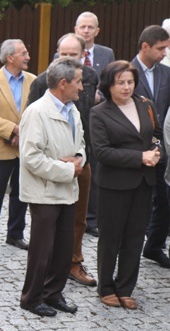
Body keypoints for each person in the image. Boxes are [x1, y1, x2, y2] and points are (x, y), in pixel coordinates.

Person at [28, 33, 99, 287]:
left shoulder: (88, 81)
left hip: (81, 163)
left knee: (77, 219)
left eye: (73, 55)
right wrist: (63, 164)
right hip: (51, 171)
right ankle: (42, 280)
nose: (68, 59)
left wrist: (81, 157)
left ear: (83, 55)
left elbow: (86, 125)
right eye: (63, 54)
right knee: (47, 227)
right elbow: (32, 138)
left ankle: (71, 265)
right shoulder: (40, 86)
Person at [90, 60, 161, 310]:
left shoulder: (145, 105)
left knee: (134, 237)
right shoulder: (99, 112)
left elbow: (157, 135)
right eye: (121, 82)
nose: (126, 87)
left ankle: (125, 288)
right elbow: (101, 152)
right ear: (109, 84)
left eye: (130, 82)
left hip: (143, 183)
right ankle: (106, 287)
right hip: (113, 185)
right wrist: (139, 157)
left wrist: (156, 152)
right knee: (110, 238)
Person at [19, 57, 86, 317]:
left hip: (68, 190)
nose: (81, 87)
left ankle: (53, 294)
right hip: (44, 192)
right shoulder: (37, 113)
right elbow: (31, 158)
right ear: (62, 83)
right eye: (78, 82)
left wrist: (80, 159)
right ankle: (31, 298)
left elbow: (81, 145)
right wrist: (70, 170)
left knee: (63, 248)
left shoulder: (72, 109)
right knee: (42, 249)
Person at [0, 39, 35, 253]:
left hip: (25, 148)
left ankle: (16, 234)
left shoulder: (33, 80)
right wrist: (15, 130)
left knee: (21, 194)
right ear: (10, 57)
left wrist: (25, 133)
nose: (28, 56)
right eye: (24, 53)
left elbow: (37, 112)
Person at [74, 11, 115, 237]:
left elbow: (111, 82)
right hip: (76, 117)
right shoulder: (66, 51)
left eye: (91, 27)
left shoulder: (106, 54)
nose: (86, 31)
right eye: (83, 27)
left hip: (100, 118)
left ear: (97, 31)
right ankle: (78, 214)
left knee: (96, 168)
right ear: (76, 30)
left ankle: (93, 218)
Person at [132, 25, 170, 268]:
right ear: (145, 46)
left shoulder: (167, 73)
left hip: (162, 149)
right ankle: (129, 251)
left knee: (164, 201)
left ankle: (154, 246)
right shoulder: (125, 71)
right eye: (161, 48)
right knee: (137, 202)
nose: (165, 53)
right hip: (134, 149)